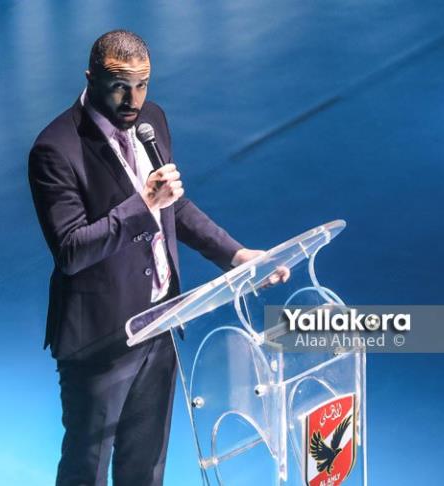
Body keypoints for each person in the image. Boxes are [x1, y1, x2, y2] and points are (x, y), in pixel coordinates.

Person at [28, 30, 287, 486]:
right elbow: (71, 250)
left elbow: (174, 208)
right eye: (120, 86)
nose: (133, 100)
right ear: (91, 78)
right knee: (87, 470)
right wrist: (144, 204)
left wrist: (236, 254)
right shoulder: (56, 149)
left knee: (146, 470)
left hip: (161, 325)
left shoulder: (153, 121)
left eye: (142, 85)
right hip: (100, 341)